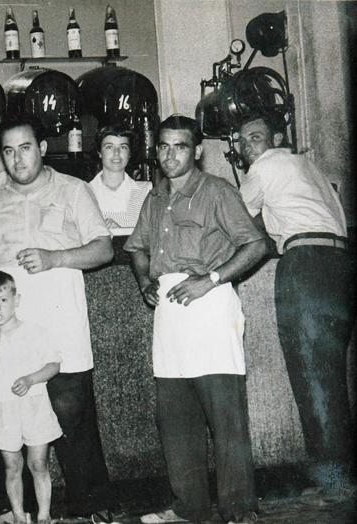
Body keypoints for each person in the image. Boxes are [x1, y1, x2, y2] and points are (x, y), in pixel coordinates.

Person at [0, 115, 116, 523]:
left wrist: (56, 258)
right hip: (10, 333)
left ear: (43, 148)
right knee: (10, 420)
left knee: (72, 415)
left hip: (60, 324)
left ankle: (92, 507)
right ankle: (17, 512)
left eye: (25, 148)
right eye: (8, 151)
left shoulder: (73, 190)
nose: (17, 159)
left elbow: (104, 249)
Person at [124, 115, 268, 524]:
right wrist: (142, 280)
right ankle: (189, 507)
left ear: (197, 151)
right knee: (176, 418)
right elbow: (136, 248)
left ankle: (240, 510)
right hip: (169, 314)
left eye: (180, 146)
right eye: (164, 147)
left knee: (225, 417)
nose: (171, 155)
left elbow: (256, 244)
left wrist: (210, 279)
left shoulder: (217, 191)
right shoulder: (154, 198)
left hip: (210, 304)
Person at [236, 111, 354, 490]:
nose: (247, 145)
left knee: (312, 376)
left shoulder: (266, 166)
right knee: (335, 376)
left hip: (305, 265)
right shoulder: (309, 166)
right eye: (242, 140)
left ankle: (333, 483)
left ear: (274, 139)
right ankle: (341, 474)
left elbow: (234, 218)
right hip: (340, 266)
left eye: (254, 136)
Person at [0, 270, 62, 524]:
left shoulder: (35, 332)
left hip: (34, 405)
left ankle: (44, 516)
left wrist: (31, 379)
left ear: (17, 300)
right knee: (12, 467)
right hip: (4, 409)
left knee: (38, 463)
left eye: (3, 300)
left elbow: (54, 364)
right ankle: (17, 515)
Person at [88, 124, 152, 230]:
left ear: (130, 153)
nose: (116, 153)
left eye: (123, 147)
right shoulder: (85, 191)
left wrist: (121, 233)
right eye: (109, 147)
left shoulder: (145, 191)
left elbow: (151, 238)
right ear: (99, 152)